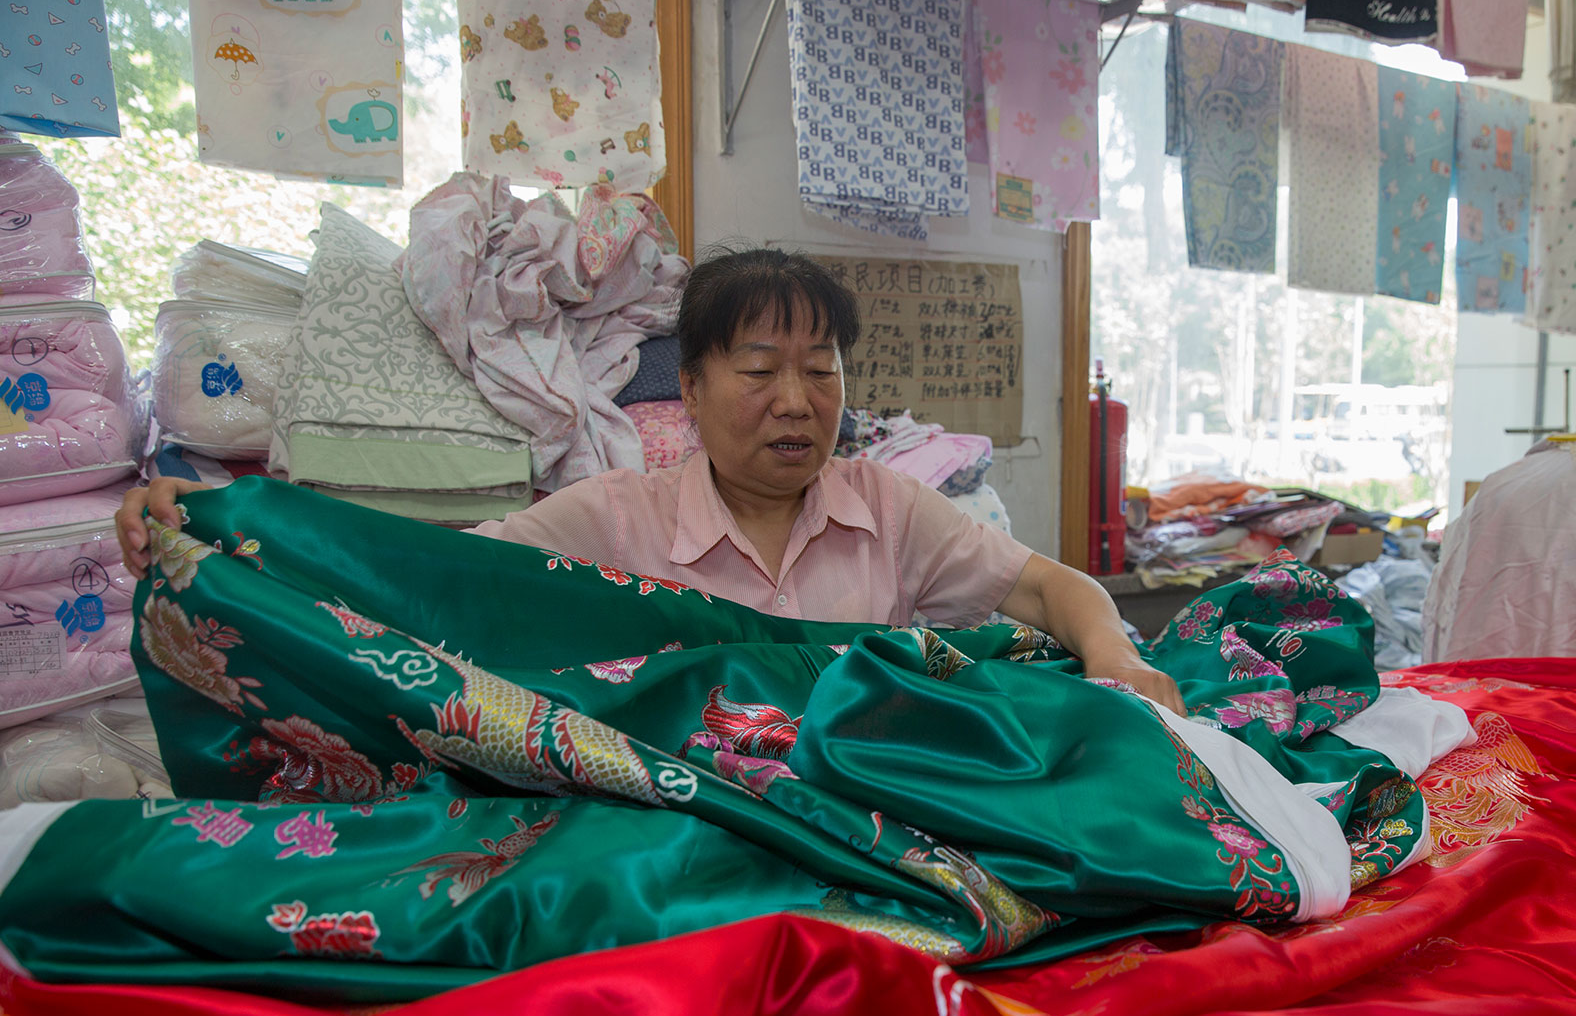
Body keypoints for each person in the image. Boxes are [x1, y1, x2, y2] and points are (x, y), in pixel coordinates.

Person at [118, 246, 1185, 713]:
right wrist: (220, 527)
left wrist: (1111, 657)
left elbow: (1052, 589)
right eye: (761, 370)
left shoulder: (890, 509)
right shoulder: (614, 518)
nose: (797, 400)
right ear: (695, 386)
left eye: (821, 371)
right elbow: (424, 575)